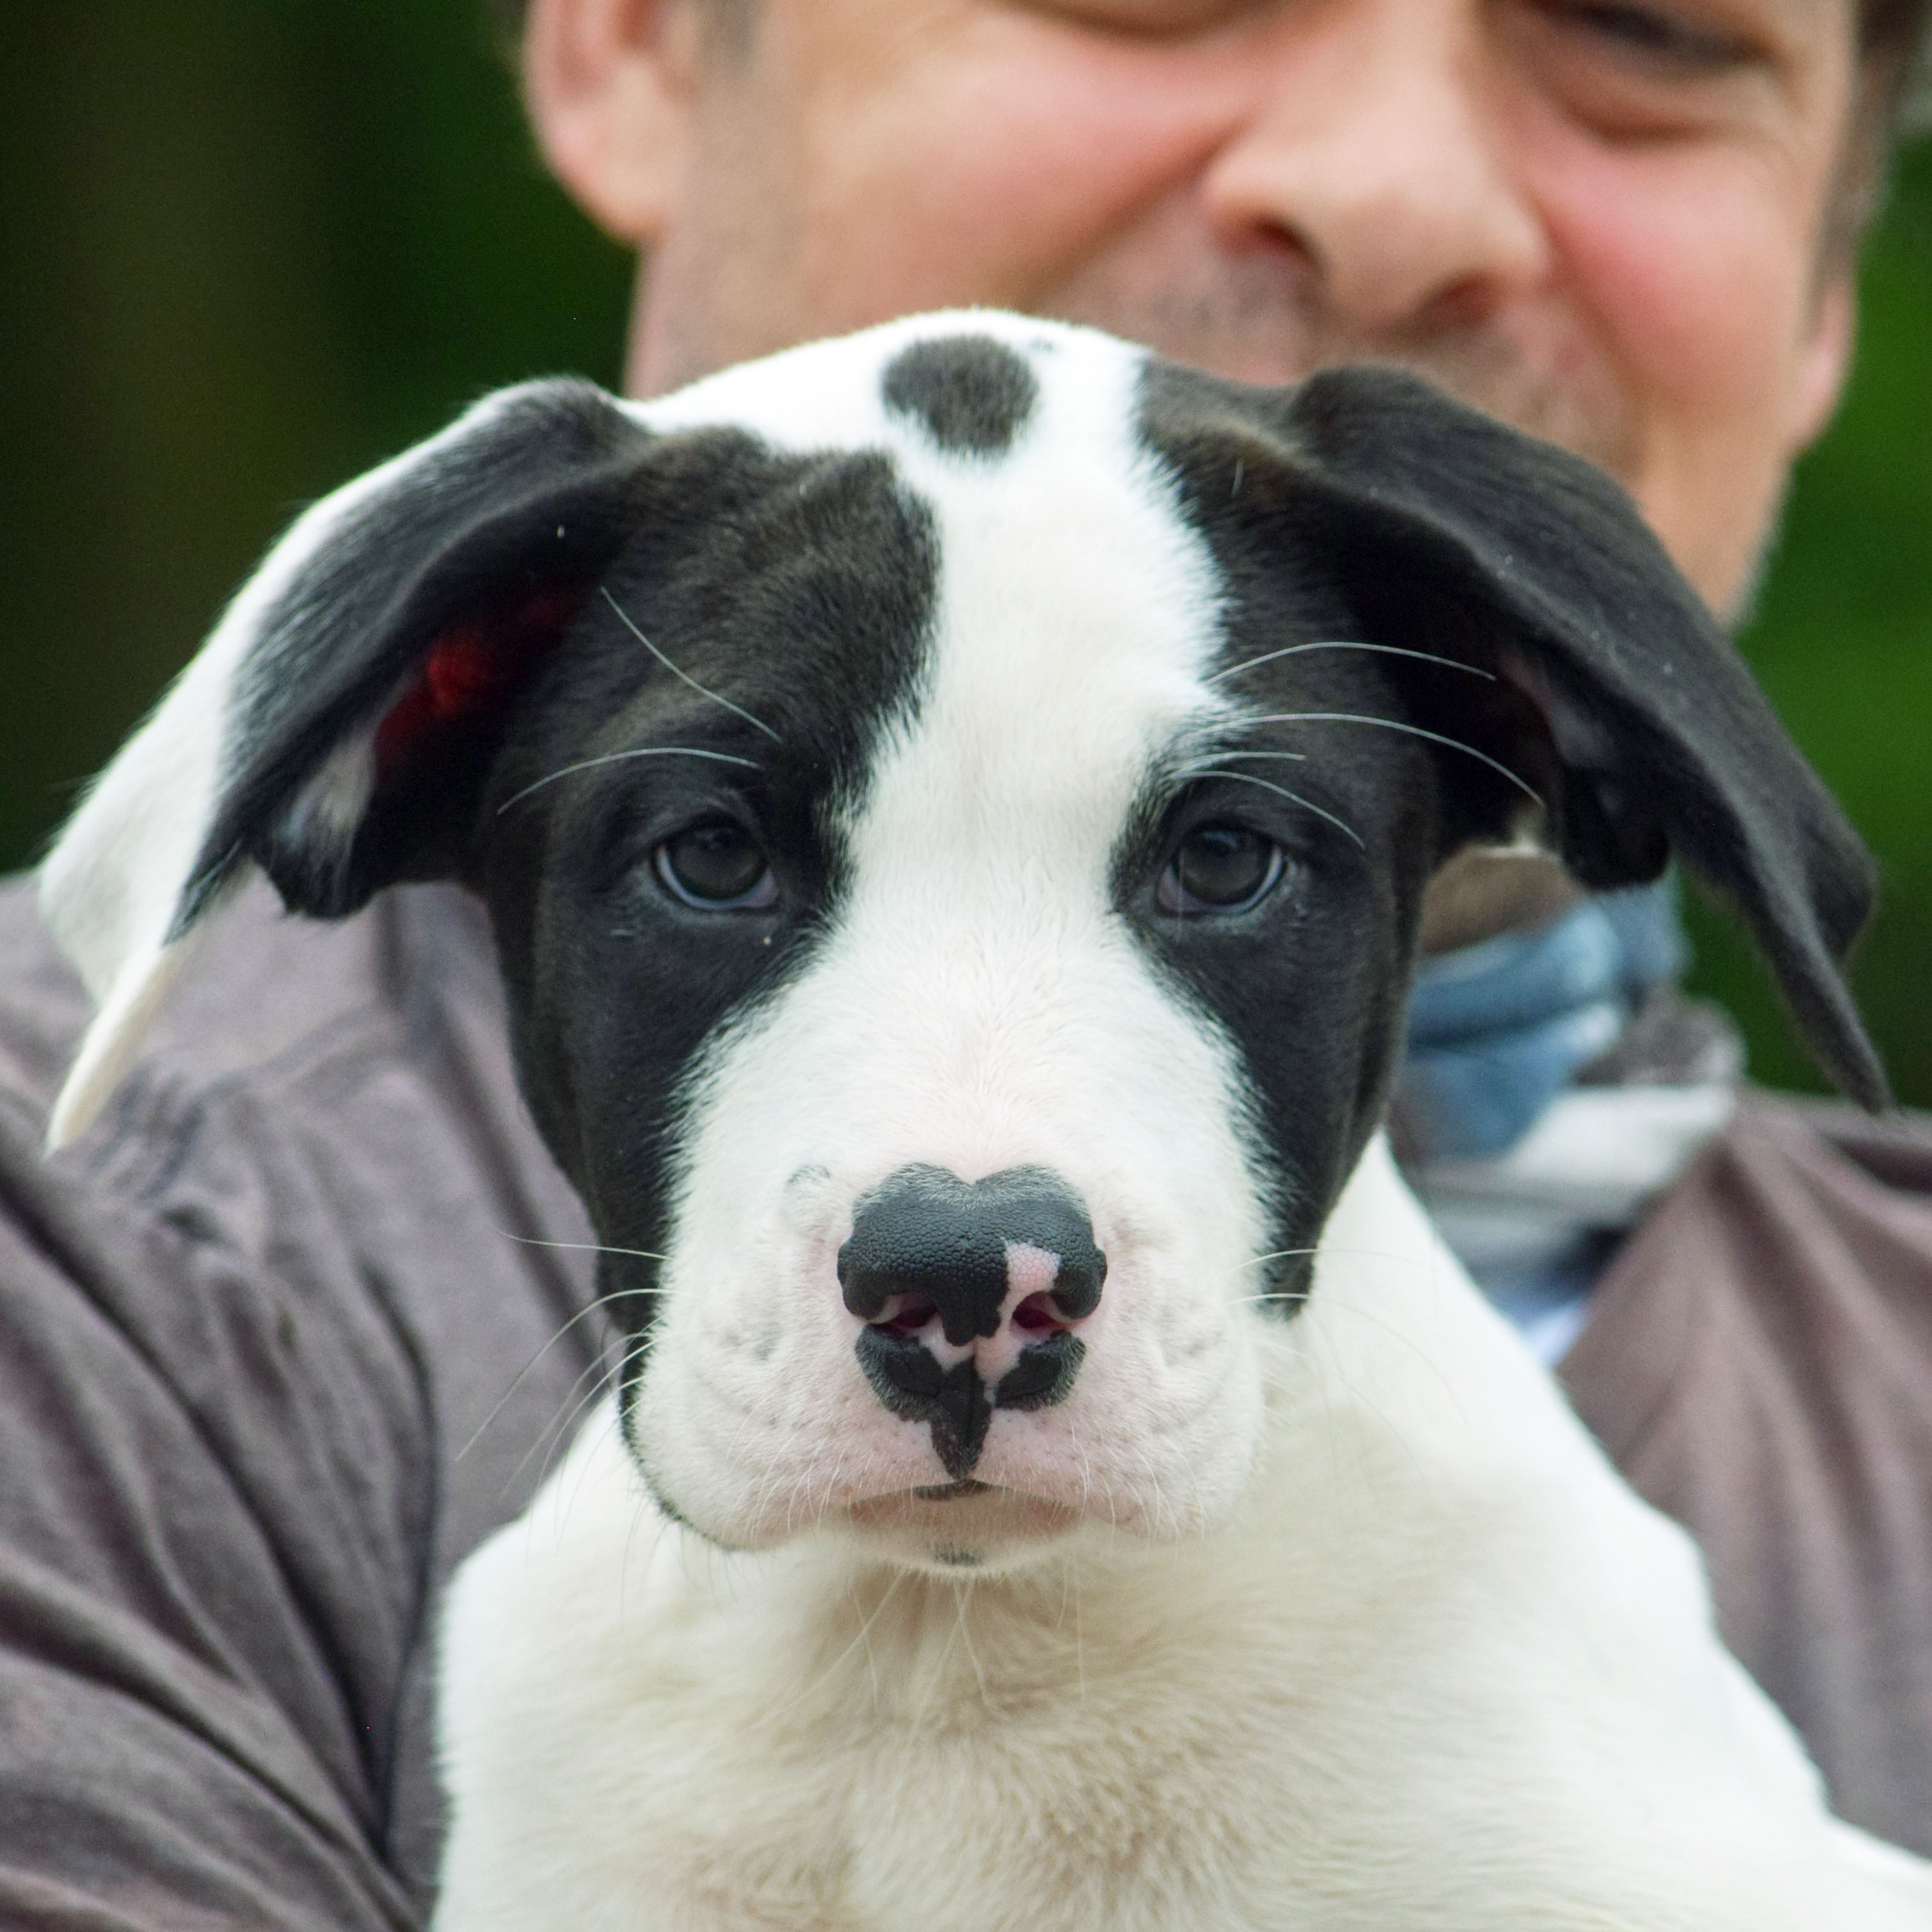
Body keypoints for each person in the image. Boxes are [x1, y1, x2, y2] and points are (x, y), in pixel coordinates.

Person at [0, 0, 1926, 1922]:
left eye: (1229, 852)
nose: (1387, 192)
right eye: (713, 853)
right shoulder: (108, 1277)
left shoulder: (1572, 1658)